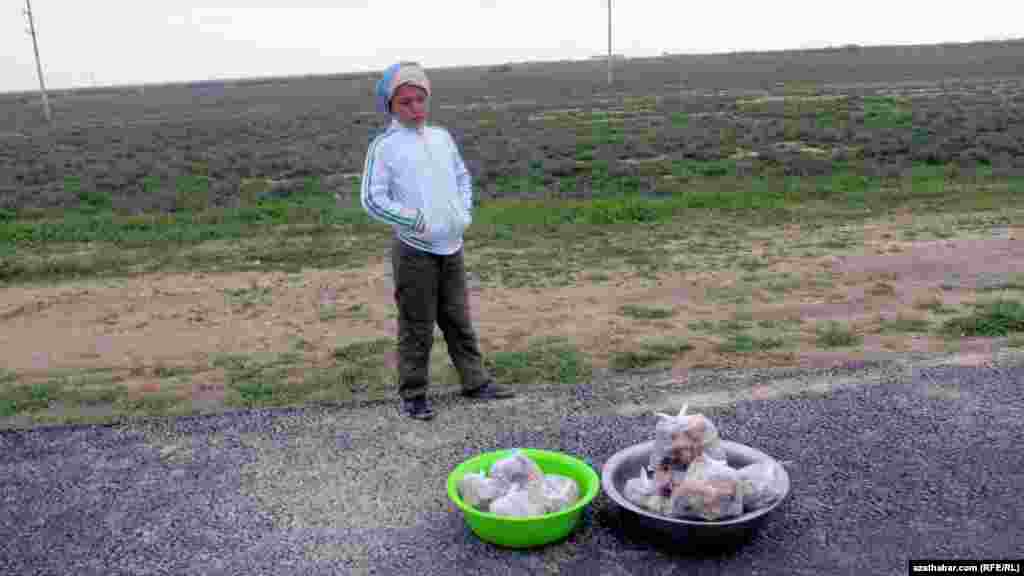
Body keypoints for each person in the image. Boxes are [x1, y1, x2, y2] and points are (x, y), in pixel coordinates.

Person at [353, 61, 515, 421]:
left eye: (419, 100)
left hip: (452, 245)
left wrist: (463, 214)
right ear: (391, 107)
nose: (414, 108)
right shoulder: (385, 147)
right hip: (415, 249)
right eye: (405, 102)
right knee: (417, 324)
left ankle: (476, 382)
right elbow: (372, 198)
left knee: (458, 318)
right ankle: (414, 394)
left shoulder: (441, 137)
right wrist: (417, 221)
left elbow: (462, 177)